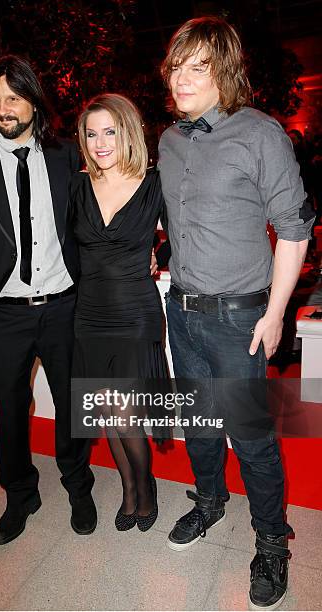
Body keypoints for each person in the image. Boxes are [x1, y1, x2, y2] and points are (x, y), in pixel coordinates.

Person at [158, 16, 315, 610]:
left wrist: (276, 314)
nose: (181, 77)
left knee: (250, 437)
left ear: (224, 70)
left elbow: (296, 228)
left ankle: (272, 541)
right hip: (184, 311)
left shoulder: (260, 134)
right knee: (199, 425)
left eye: (197, 65)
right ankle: (210, 502)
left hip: (240, 320)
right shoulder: (169, 141)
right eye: (176, 65)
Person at [0, 55, 96, 545]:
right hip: (4, 317)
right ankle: (20, 494)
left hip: (62, 308)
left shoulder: (66, 157)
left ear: (33, 100)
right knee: (9, 410)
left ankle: (78, 485)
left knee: (73, 404)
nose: (2, 108)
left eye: (12, 97)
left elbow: (90, 225)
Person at [70, 93, 167, 532]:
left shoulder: (154, 184)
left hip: (134, 313)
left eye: (109, 131)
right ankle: (128, 488)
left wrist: (154, 251)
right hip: (89, 313)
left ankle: (144, 488)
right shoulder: (77, 184)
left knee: (126, 413)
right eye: (91, 133)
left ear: (127, 131)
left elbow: (183, 233)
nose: (100, 141)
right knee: (107, 410)